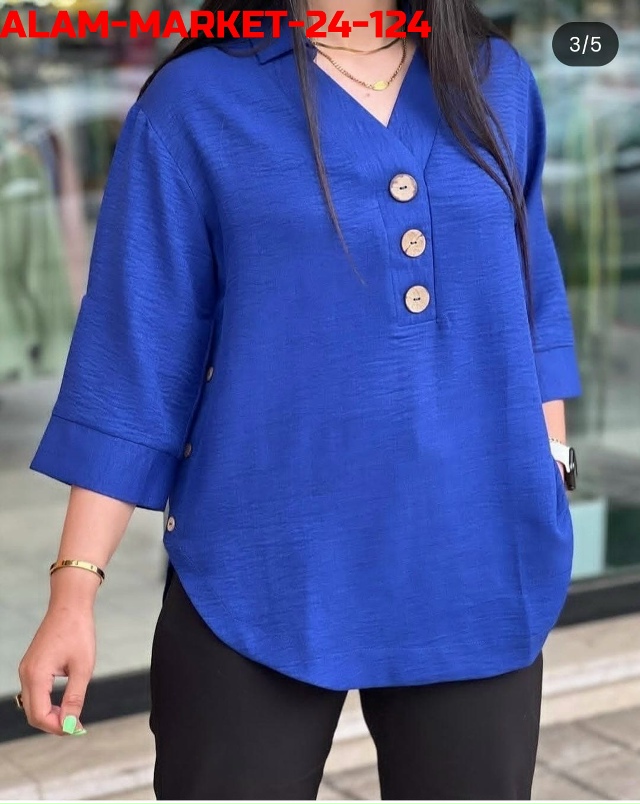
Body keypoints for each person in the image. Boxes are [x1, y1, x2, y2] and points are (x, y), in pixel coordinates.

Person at [16, 0, 582, 799]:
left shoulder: (498, 82)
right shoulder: (195, 102)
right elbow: (134, 359)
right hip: (257, 568)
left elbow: (532, 307)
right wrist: (74, 590)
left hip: (475, 562)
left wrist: (550, 470)